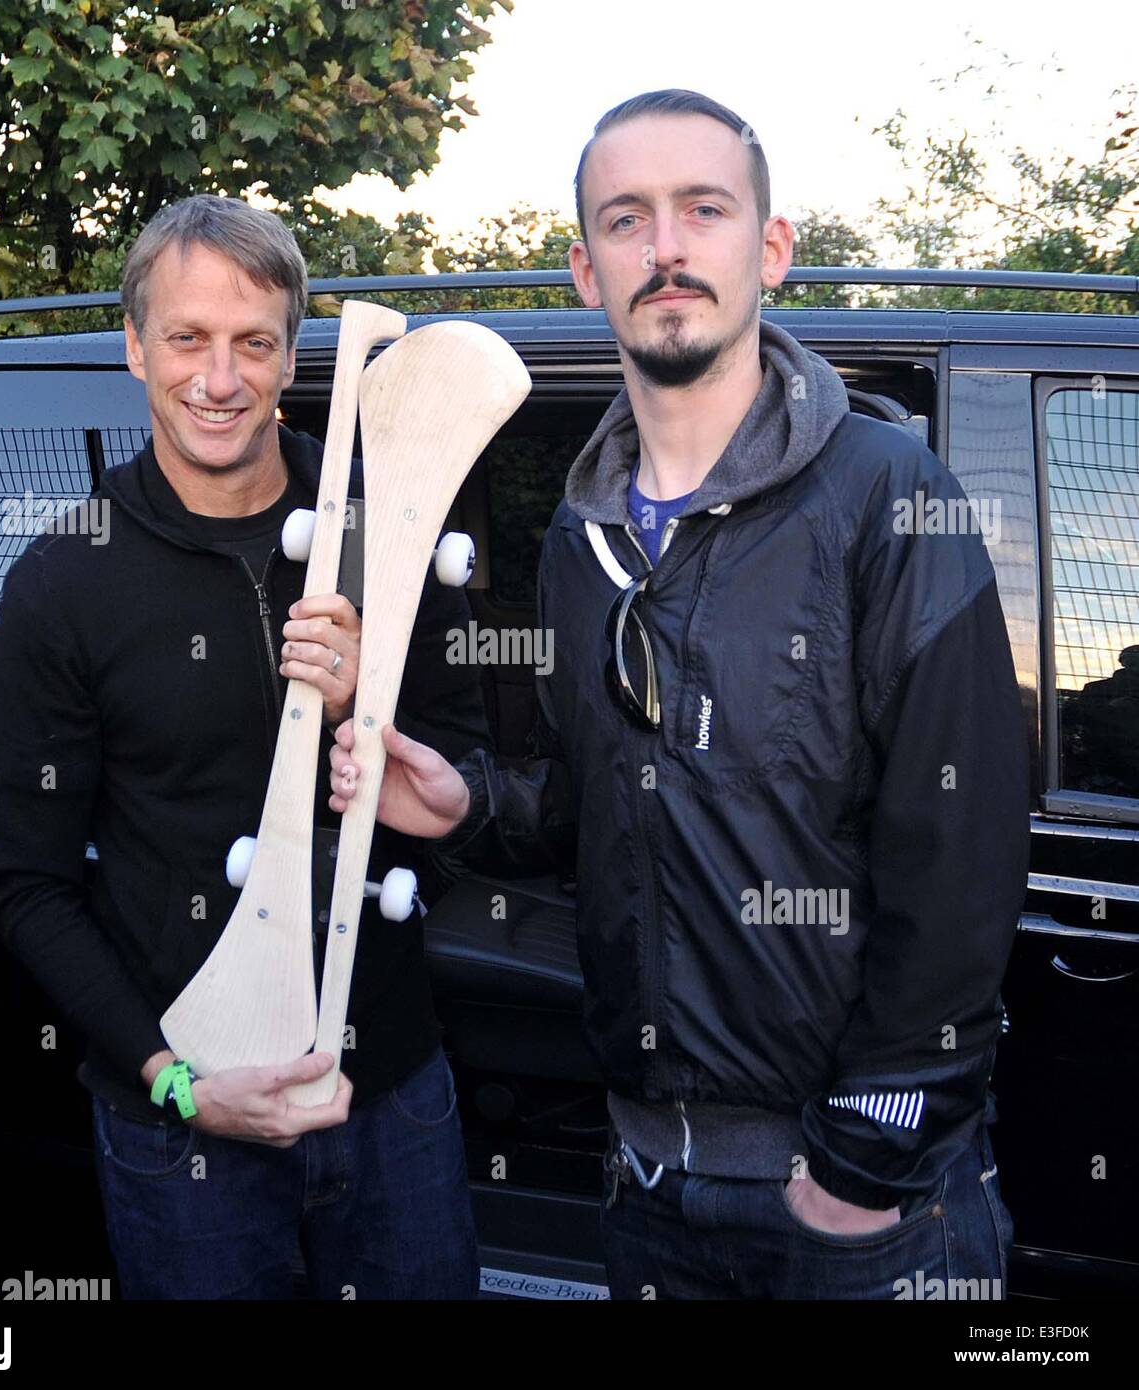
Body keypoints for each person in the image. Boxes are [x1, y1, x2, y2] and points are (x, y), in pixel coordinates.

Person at [328, 90, 1030, 1300]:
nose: (665, 247)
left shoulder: (885, 495)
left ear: (768, 249)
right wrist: (468, 799)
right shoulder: (578, 538)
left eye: (702, 209)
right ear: (584, 272)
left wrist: (869, 1149)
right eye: (626, 218)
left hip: (860, 1201)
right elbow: (598, 801)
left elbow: (960, 843)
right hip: (649, 1190)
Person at [0, 195, 491, 1299]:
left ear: (293, 354)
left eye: (252, 342)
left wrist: (391, 733)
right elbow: (29, 889)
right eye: (186, 339)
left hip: (393, 1097)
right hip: (183, 1131)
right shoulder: (65, 578)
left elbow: (474, 791)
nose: (219, 380)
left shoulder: (385, 525)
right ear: (133, 346)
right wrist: (177, 1084)